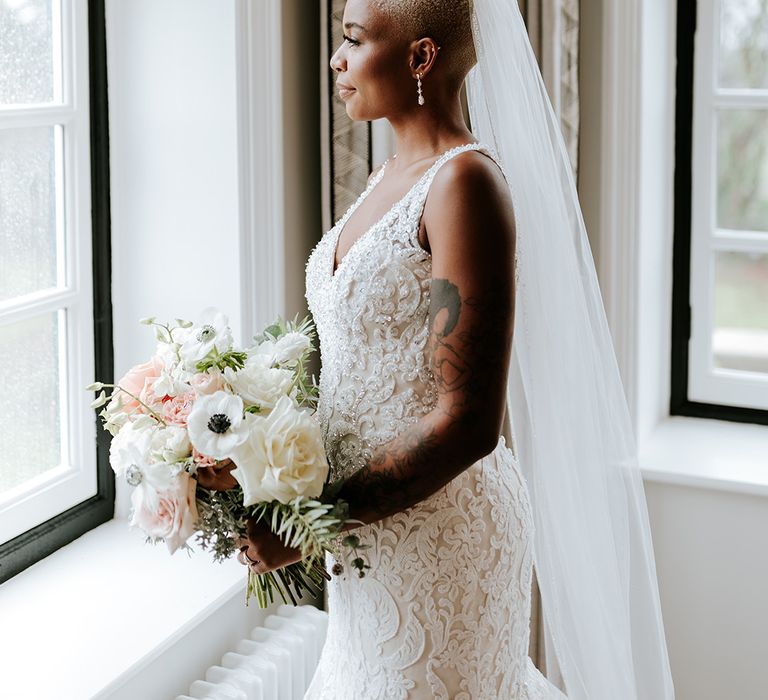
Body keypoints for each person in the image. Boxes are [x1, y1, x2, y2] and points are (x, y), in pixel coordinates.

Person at [211, 0, 677, 698]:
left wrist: (312, 526)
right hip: (368, 537)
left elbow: (468, 423)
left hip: (440, 533)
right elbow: (364, 367)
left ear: (420, 58)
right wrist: (255, 454)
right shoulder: (384, 176)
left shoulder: (465, 185)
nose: (336, 60)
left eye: (354, 40)